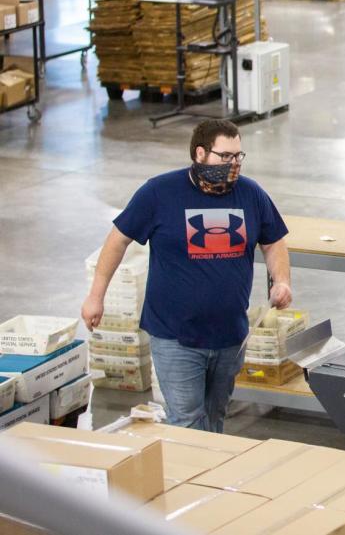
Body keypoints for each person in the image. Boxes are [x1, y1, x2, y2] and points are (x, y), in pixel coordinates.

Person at [81, 120, 292, 433]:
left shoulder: (251, 194)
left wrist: (282, 280)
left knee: (216, 416)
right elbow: (118, 240)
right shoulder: (160, 192)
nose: (233, 165)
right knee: (188, 422)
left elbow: (273, 240)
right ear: (200, 153)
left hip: (229, 335)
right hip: (175, 336)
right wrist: (96, 296)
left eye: (238, 156)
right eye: (225, 157)